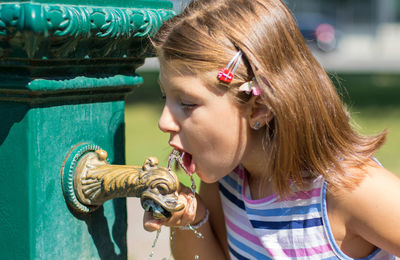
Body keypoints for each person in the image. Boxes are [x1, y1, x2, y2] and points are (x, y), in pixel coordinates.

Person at [142, 0, 400, 259]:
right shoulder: (226, 181)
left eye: (187, 103)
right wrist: (191, 219)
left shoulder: (351, 190)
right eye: (166, 98)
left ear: (259, 107)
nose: (163, 121)